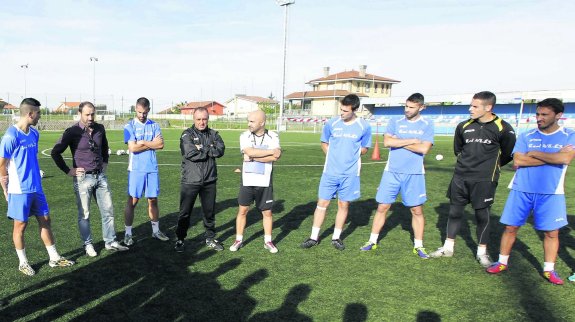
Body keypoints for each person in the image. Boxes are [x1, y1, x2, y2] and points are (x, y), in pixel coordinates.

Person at [487, 98, 575, 285]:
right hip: (521, 189)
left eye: (544, 115)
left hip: (552, 192)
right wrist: (554, 157)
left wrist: (534, 153)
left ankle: (549, 270)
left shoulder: (569, 135)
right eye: (537, 114)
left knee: (552, 233)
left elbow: (566, 159)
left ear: (558, 115)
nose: (539, 118)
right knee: (510, 228)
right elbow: (518, 161)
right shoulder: (527, 136)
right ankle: (502, 262)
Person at [430, 91, 516, 267]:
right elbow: (458, 149)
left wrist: (488, 167)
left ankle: (482, 253)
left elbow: (508, 154)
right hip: (460, 177)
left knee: (482, 216)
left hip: (484, 180)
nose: (470, 109)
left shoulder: (504, 128)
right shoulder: (463, 126)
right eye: (471, 105)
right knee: (454, 212)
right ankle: (448, 247)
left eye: (475, 106)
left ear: (488, 107)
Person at [0, 98, 74, 276]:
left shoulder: (34, 134)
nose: (40, 116)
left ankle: (54, 257)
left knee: (45, 220)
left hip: (36, 187)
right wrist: (5, 187)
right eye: (38, 113)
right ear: (30, 113)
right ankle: (23, 262)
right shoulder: (11, 136)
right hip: (19, 190)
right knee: (21, 225)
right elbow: (2, 164)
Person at [360, 93, 434, 258]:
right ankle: (372, 241)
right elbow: (387, 143)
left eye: (411, 107)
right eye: (406, 106)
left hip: (415, 173)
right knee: (382, 207)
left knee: (416, 210)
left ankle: (419, 246)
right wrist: (413, 141)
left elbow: (424, 149)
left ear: (422, 107)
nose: (407, 110)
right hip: (392, 172)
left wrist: (399, 141)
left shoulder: (427, 124)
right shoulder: (395, 121)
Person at [52, 101, 128, 256]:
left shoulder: (100, 128)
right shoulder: (72, 131)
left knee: (108, 211)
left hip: (100, 176)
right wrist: (68, 170)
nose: (90, 117)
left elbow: (105, 147)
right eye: (87, 114)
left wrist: (105, 162)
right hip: (82, 179)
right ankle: (88, 245)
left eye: (93, 113)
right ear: (80, 114)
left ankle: (110, 241)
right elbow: (55, 152)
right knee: (84, 214)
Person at [301, 94, 372, 250]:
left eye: (345, 110)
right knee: (322, 203)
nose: (342, 113)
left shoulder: (364, 126)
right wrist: (333, 157)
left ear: (355, 110)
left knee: (343, 204)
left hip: (350, 173)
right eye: (341, 109)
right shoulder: (332, 123)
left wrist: (350, 156)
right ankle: (313, 237)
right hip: (330, 172)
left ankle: (336, 237)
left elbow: (365, 148)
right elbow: (324, 142)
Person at [229, 110, 282, 253]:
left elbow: (276, 156)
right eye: (248, 121)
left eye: (252, 121)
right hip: (247, 180)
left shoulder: (273, 136)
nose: (249, 124)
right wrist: (268, 152)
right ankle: (238, 239)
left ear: (262, 123)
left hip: (265, 181)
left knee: (267, 213)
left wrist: (253, 156)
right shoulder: (244, 135)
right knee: (243, 210)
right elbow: (249, 151)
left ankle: (268, 241)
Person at [175, 107, 225, 252]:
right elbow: (191, 153)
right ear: (194, 119)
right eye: (199, 119)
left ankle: (210, 238)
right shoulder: (186, 134)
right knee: (185, 212)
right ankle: (180, 239)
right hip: (190, 180)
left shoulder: (214, 134)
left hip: (209, 180)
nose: (202, 122)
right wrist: (209, 149)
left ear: (208, 119)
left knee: (209, 212)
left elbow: (220, 150)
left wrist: (202, 148)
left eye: (204, 119)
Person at [123, 97, 168, 244]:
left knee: (153, 200)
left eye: (144, 112)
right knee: (133, 201)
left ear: (149, 110)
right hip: (136, 169)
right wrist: (151, 144)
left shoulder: (154, 125)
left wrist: (143, 142)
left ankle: (156, 231)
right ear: (135, 109)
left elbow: (161, 144)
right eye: (139, 112)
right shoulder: (129, 126)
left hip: (151, 168)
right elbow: (133, 148)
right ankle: (128, 234)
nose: (142, 115)